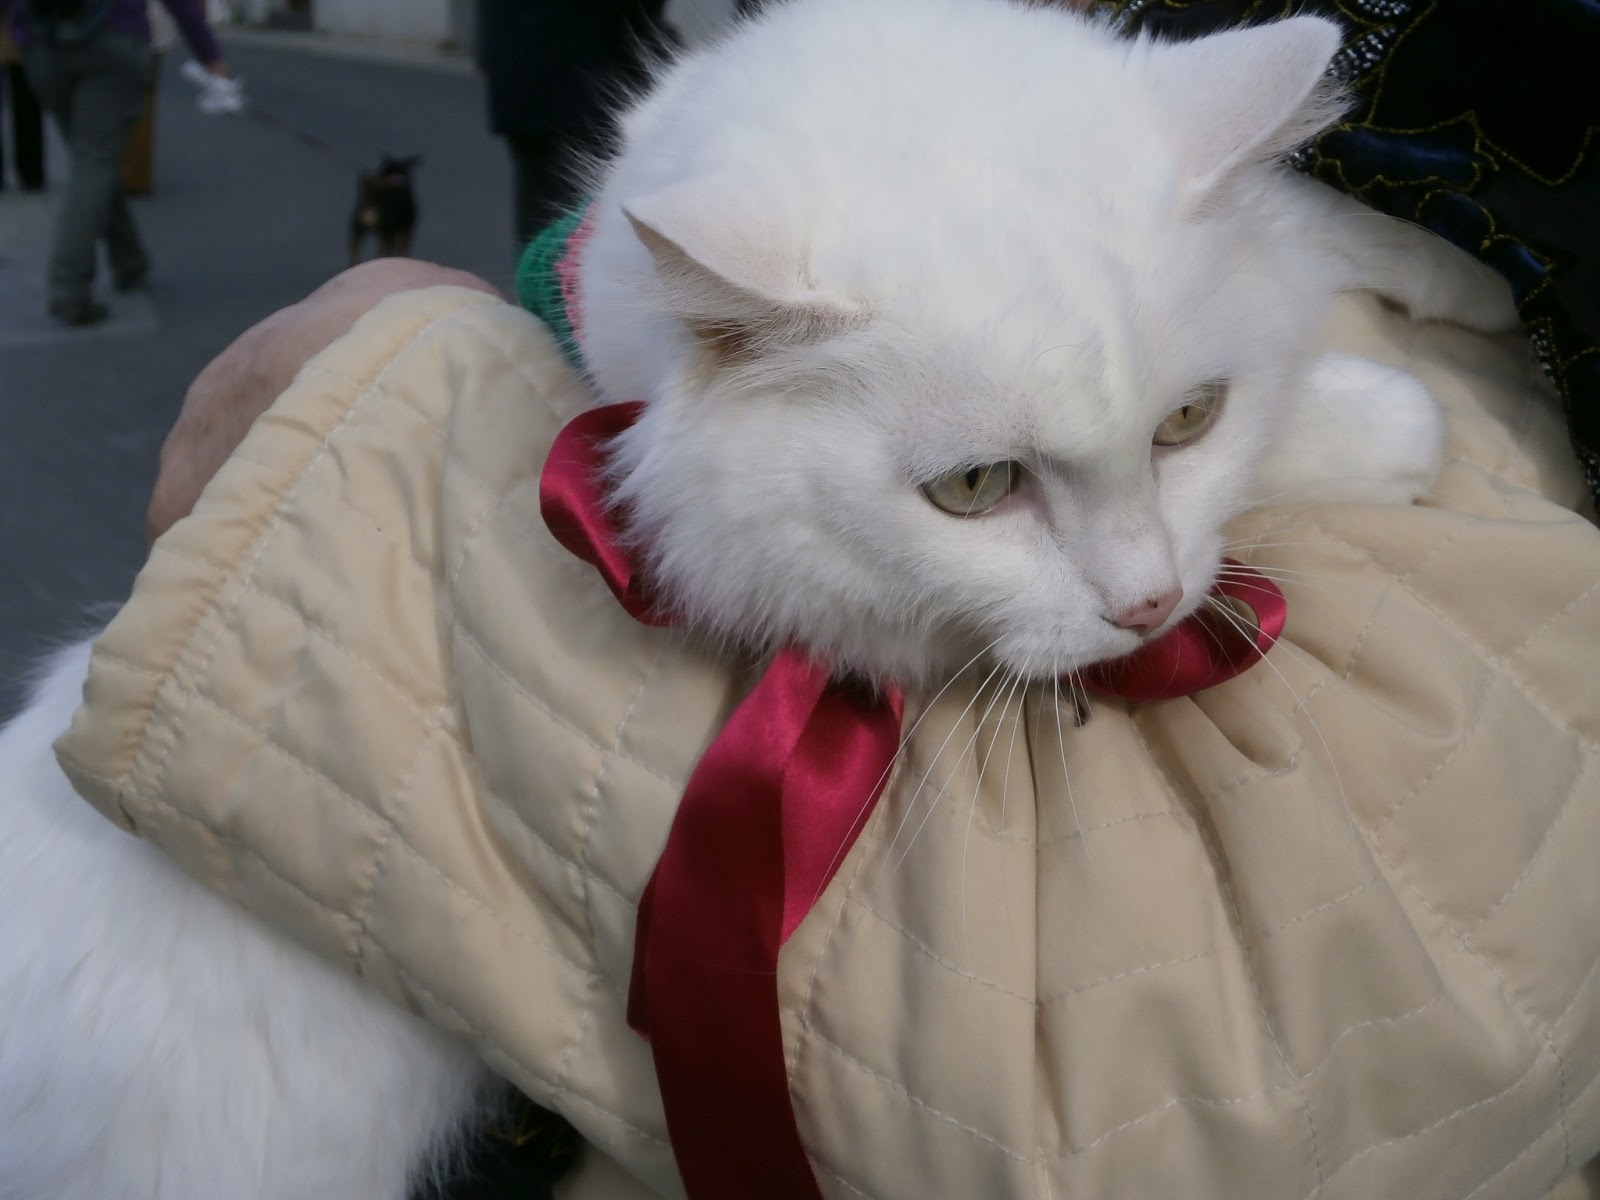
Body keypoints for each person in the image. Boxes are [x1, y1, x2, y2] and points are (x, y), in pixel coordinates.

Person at [1, 0, 229, 326]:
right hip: (114, 39)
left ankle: (128, 259)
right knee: (94, 161)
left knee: (92, 161)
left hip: (43, 46)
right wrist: (210, 55)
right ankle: (69, 290)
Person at [474, 0, 673, 253]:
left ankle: (536, 285)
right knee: (582, 228)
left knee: (544, 220)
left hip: (528, 78)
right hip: (587, 86)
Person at [0, 22, 43, 189]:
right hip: (21, 30)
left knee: (27, 105)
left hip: (21, 30)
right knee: (27, 106)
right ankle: (31, 172)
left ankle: (31, 171)